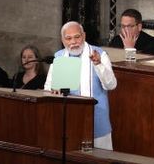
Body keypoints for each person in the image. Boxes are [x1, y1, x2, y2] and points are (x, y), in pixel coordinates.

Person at [44, 21, 117, 150]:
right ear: (62, 40)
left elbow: (111, 85)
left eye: (77, 37)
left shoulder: (99, 54)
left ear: (83, 36)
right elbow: (48, 89)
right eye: (68, 38)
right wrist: (52, 90)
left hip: (97, 120)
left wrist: (98, 64)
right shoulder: (59, 57)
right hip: (69, 121)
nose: (73, 42)